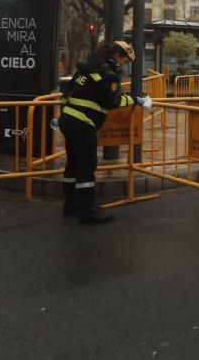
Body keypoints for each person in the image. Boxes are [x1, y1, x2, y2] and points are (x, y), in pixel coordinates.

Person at [59, 40, 151, 224]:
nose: (124, 64)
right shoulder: (108, 74)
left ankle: (70, 205)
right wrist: (136, 101)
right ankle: (88, 210)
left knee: (73, 164)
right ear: (117, 56)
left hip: (67, 120)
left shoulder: (86, 69)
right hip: (83, 124)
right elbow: (112, 102)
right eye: (125, 60)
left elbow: (66, 95)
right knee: (87, 166)